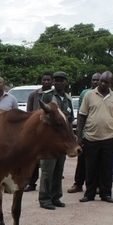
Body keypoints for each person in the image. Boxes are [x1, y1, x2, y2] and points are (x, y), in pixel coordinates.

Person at [77, 71, 113, 203]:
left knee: (106, 168)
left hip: (108, 138)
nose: (102, 83)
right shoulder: (89, 95)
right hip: (91, 137)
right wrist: (79, 136)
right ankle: (89, 194)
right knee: (90, 167)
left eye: (106, 82)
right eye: (101, 80)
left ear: (110, 83)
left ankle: (106, 194)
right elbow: (82, 116)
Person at [37, 71, 74, 210]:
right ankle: (44, 198)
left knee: (59, 170)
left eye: (61, 80)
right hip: (49, 141)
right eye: (56, 80)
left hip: (63, 141)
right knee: (47, 170)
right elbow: (39, 117)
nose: (58, 82)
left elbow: (70, 121)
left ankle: (56, 197)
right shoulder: (47, 96)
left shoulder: (68, 99)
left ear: (66, 82)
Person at [67, 72, 101, 194]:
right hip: (87, 132)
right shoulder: (85, 93)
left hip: (99, 134)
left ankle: (95, 185)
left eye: (98, 80)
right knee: (81, 161)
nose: (96, 82)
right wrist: (80, 134)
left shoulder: (105, 94)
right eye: (94, 80)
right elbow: (81, 114)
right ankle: (78, 184)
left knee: (96, 162)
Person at [24, 72, 54, 191]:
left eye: (48, 80)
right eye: (44, 80)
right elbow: (29, 112)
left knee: (49, 157)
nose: (46, 82)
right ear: (41, 81)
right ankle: (31, 182)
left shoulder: (53, 95)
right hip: (36, 131)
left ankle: (48, 184)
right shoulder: (34, 95)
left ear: (51, 81)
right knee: (34, 158)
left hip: (50, 132)